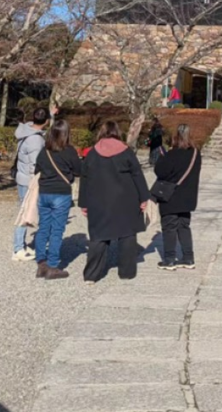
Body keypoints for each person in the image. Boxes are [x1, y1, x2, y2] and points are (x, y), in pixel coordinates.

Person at [79, 120, 150, 283]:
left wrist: (84, 203)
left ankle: (92, 274)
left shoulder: (92, 153)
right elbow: (137, 175)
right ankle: (127, 272)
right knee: (127, 235)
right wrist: (143, 197)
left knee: (98, 237)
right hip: (126, 199)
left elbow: (85, 179)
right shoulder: (126, 151)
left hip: (98, 200)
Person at [34, 119, 81, 280]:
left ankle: (41, 263)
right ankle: (53, 265)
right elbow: (79, 171)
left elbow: (37, 170)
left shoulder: (44, 151)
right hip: (61, 192)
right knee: (57, 230)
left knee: (43, 227)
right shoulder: (69, 151)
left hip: (44, 192)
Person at [153, 123, 201, 270]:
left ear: (176, 137)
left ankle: (169, 259)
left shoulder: (172, 154)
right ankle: (188, 257)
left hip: (171, 197)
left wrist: (161, 157)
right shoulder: (195, 154)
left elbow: (160, 172)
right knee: (184, 226)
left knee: (169, 226)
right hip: (188, 197)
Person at [12, 106, 49, 261]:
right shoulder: (35, 140)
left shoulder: (26, 129)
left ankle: (20, 246)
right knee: (26, 213)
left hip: (22, 177)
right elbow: (35, 165)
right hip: (29, 181)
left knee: (24, 210)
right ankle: (18, 248)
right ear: (46, 121)